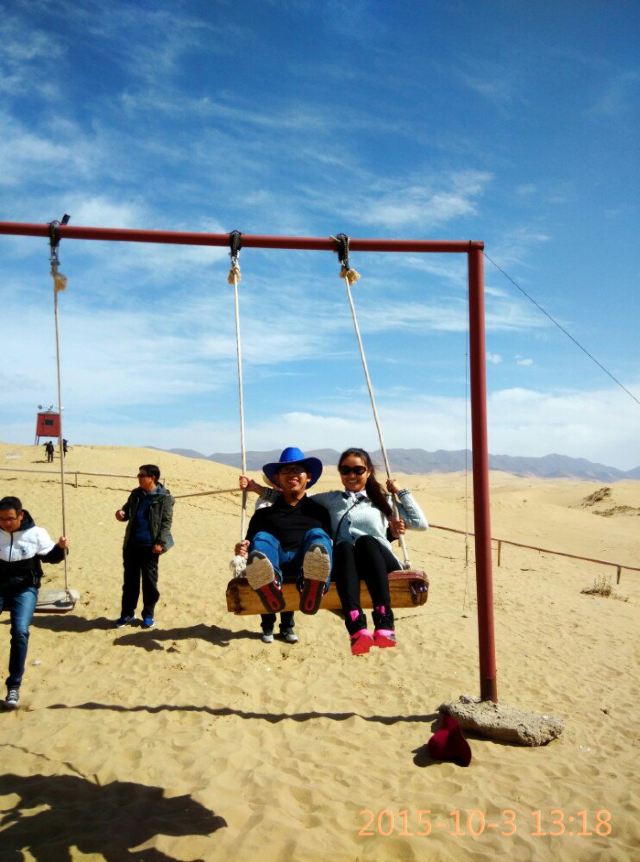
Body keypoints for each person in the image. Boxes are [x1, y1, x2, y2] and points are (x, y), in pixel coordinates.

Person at [245, 447, 427, 655]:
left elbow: (419, 523)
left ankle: (384, 621)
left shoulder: (382, 500)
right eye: (345, 470)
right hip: (348, 563)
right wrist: (255, 488)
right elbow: (292, 495)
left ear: (368, 472)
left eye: (358, 470)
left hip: (378, 560)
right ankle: (356, 626)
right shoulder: (330, 500)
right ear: (340, 473)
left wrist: (399, 492)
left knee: (365, 541)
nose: (351, 475)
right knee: (342, 546)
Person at [235, 447, 332, 644]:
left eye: (297, 470)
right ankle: (269, 616)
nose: (292, 475)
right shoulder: (264, 514)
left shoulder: (319, 511)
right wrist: (241, 550)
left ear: (308, 477)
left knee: (318, 536)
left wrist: (391, 531)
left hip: (304, 566)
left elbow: (332, 543)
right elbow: (251, 547)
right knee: (262, 539)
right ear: (278, 479)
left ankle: (313, 585)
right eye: (286, 471)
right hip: (274, 564)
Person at [0, 496, 69, 709]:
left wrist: (61, 548)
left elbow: (52, 557)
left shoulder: (36, 533)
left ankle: (14, 685)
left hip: (24, 588)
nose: (5, 523)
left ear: (21, 515)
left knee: (20, 631)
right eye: (1, 519)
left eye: (10, 519)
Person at [114, 464, 174, 630]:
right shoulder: (136, 494)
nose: (139, 477)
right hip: (131, 545)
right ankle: (127, 613)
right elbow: (125, 512)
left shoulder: (164, 497)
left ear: (152, 478)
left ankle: (148, 615)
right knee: (130, 582)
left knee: (149, 583)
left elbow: (166, 522)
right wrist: (120, 514)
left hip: (150, 547)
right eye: (139, 475)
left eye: (142, 475)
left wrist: (160, 543)